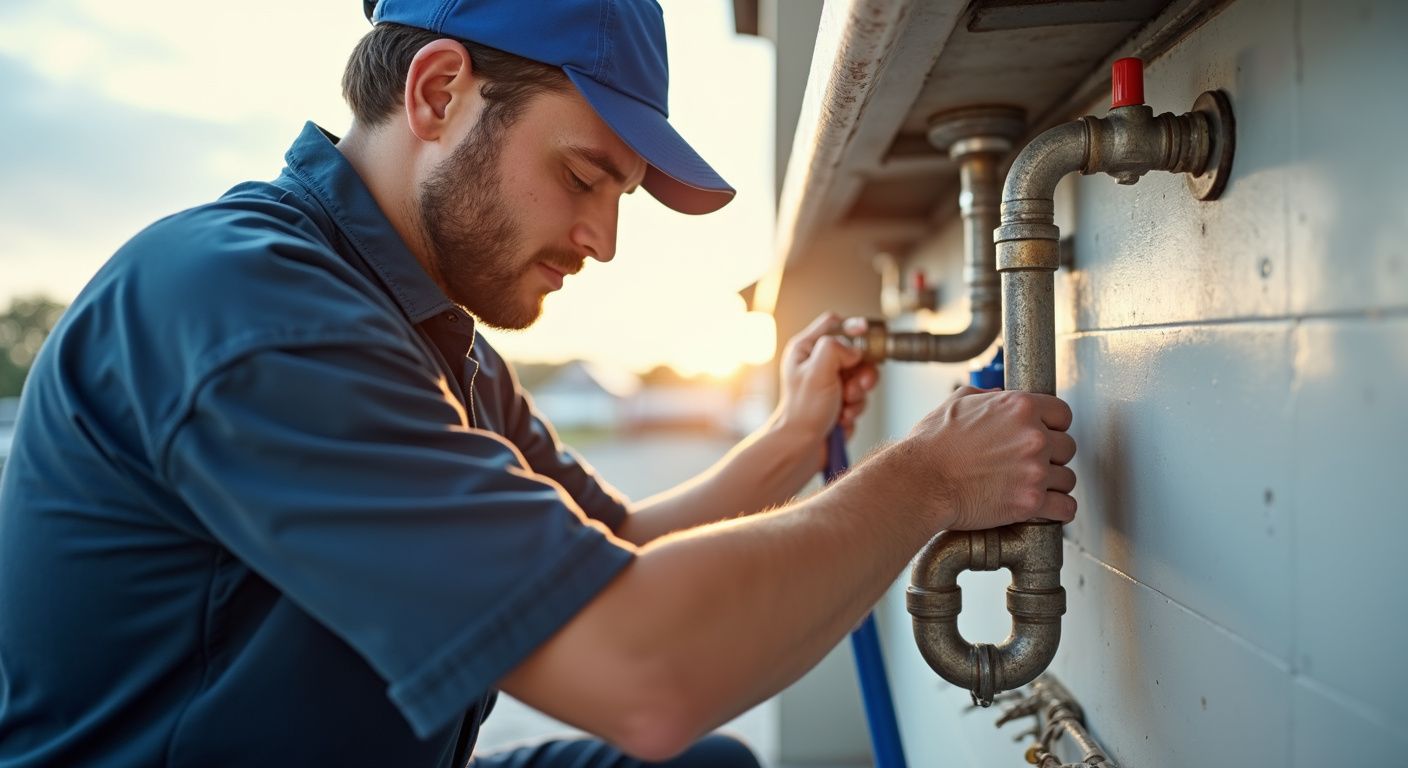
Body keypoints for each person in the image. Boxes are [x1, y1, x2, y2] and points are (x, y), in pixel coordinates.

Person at [0, 1, 1078, 766]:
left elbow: (608, 551)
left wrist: (796, 441)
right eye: (583, 175)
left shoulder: (434, 342)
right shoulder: (249, 311)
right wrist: (929, 481)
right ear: (437, 93)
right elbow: (641, 674)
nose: (604, 239)